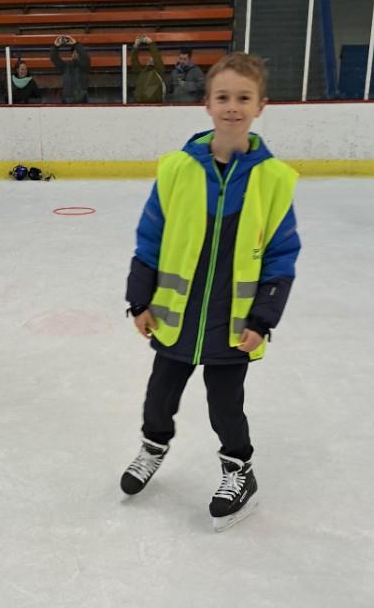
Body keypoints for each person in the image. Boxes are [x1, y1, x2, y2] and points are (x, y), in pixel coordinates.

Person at [121, 52, 301, 531]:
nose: (232, 107)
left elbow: (282, 257)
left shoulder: (274, 180)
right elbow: (150, 238)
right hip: (176, 317)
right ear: (207, 103)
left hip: (233, 326)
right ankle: (152, 449)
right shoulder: (178, 170)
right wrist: (140, 300)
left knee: (226, 407)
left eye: (244, 98)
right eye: (223, 97)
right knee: (159, 397)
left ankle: (239, 471)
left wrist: (263, 319)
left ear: (261, 105)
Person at [49, 35, 90, 104]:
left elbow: (84, 56)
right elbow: (54, 58)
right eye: (73, 52)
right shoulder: (65, 66)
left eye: (77, 52)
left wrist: (76, 44)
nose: (75, 54)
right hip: (66, 100)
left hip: (81, 100)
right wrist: (55, 46)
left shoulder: (85, 66)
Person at [130, 36, 166, 104]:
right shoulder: (141, 72)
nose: (151, 60)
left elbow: (157, 57)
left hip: (155, 104)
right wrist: (135, 46)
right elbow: (133, 61)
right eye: (150, 59)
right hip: (139, 104)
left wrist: (151, 43)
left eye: (152, 59)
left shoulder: (159, 71)